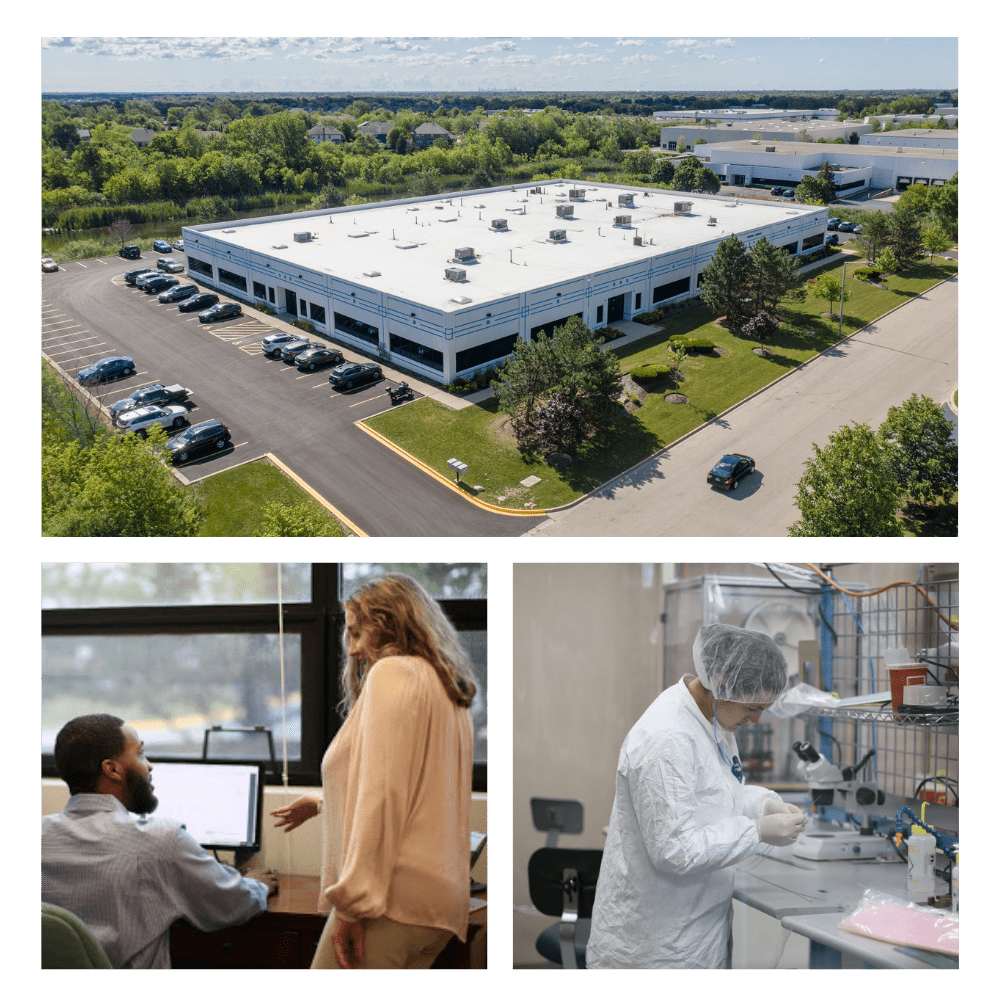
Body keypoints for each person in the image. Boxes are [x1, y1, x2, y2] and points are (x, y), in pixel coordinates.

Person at [271, 574, 477, 970]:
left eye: (356, 633)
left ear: (385, 622)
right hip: (437, 909)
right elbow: (416, 790)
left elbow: (384, 797)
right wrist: (321, 804)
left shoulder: (393, 674)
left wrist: (352, 906)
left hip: (389, 903)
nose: (354, 650)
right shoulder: (448, 688)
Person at [587, 624, 808, 970]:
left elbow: (712, 793)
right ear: (720, 684)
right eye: (752, 707)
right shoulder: (667, 739)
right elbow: (674, 850)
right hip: (654, 947)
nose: (756, 719)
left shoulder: (712, 718)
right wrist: (757, 831)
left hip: (693, 930)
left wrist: (764, 804)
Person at [42, 714, 278, 969]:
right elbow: (233, 904)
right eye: (140, 754)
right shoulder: (160, 839)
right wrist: (257, 885)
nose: (149, 766)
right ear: (112, 769)